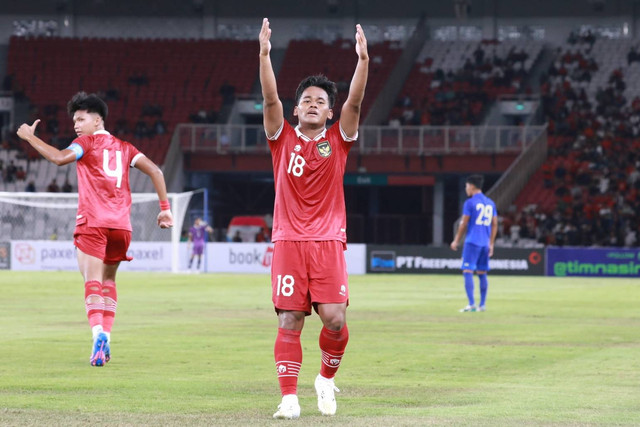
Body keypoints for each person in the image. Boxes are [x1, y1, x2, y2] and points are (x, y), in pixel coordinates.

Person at [259, 18, 369, 419]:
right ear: (296, 108)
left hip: (327, 242)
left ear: (329, 112)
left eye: (321, 101)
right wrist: (265, 55)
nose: (312, 104)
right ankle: (289, 398)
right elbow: (269, 99)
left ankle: (325, 378)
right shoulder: (281, 138)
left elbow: (355, 103)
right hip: (288, 240)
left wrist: (362, 60)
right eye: (307, 99)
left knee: (335, 320)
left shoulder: (338, 141)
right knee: (289, 318)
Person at [16, 91, 173, 367]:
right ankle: (107, 339)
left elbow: (60, 158)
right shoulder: (126, 148)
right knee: (110, 282)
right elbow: (156, 172)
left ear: (97, 120)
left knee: (92, 282)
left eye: (81, 118)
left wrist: (30, 137)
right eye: (74, 120)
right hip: (121, 226)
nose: (76, 125)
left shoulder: (84, 144)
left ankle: (97, 333)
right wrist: (165, 208)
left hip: (92, 222)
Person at [450, 175, 498, 313]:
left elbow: (463, 223)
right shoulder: (490, 203)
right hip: (485, 243)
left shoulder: (470, 203)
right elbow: (495, 224)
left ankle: (471, 304)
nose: (466, 189)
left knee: (467, 271)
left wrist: (456, 240)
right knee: (482, 273)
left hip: (472, 241)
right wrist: (491, 243)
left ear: (471, 186)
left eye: (466, 186)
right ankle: (482, 305)